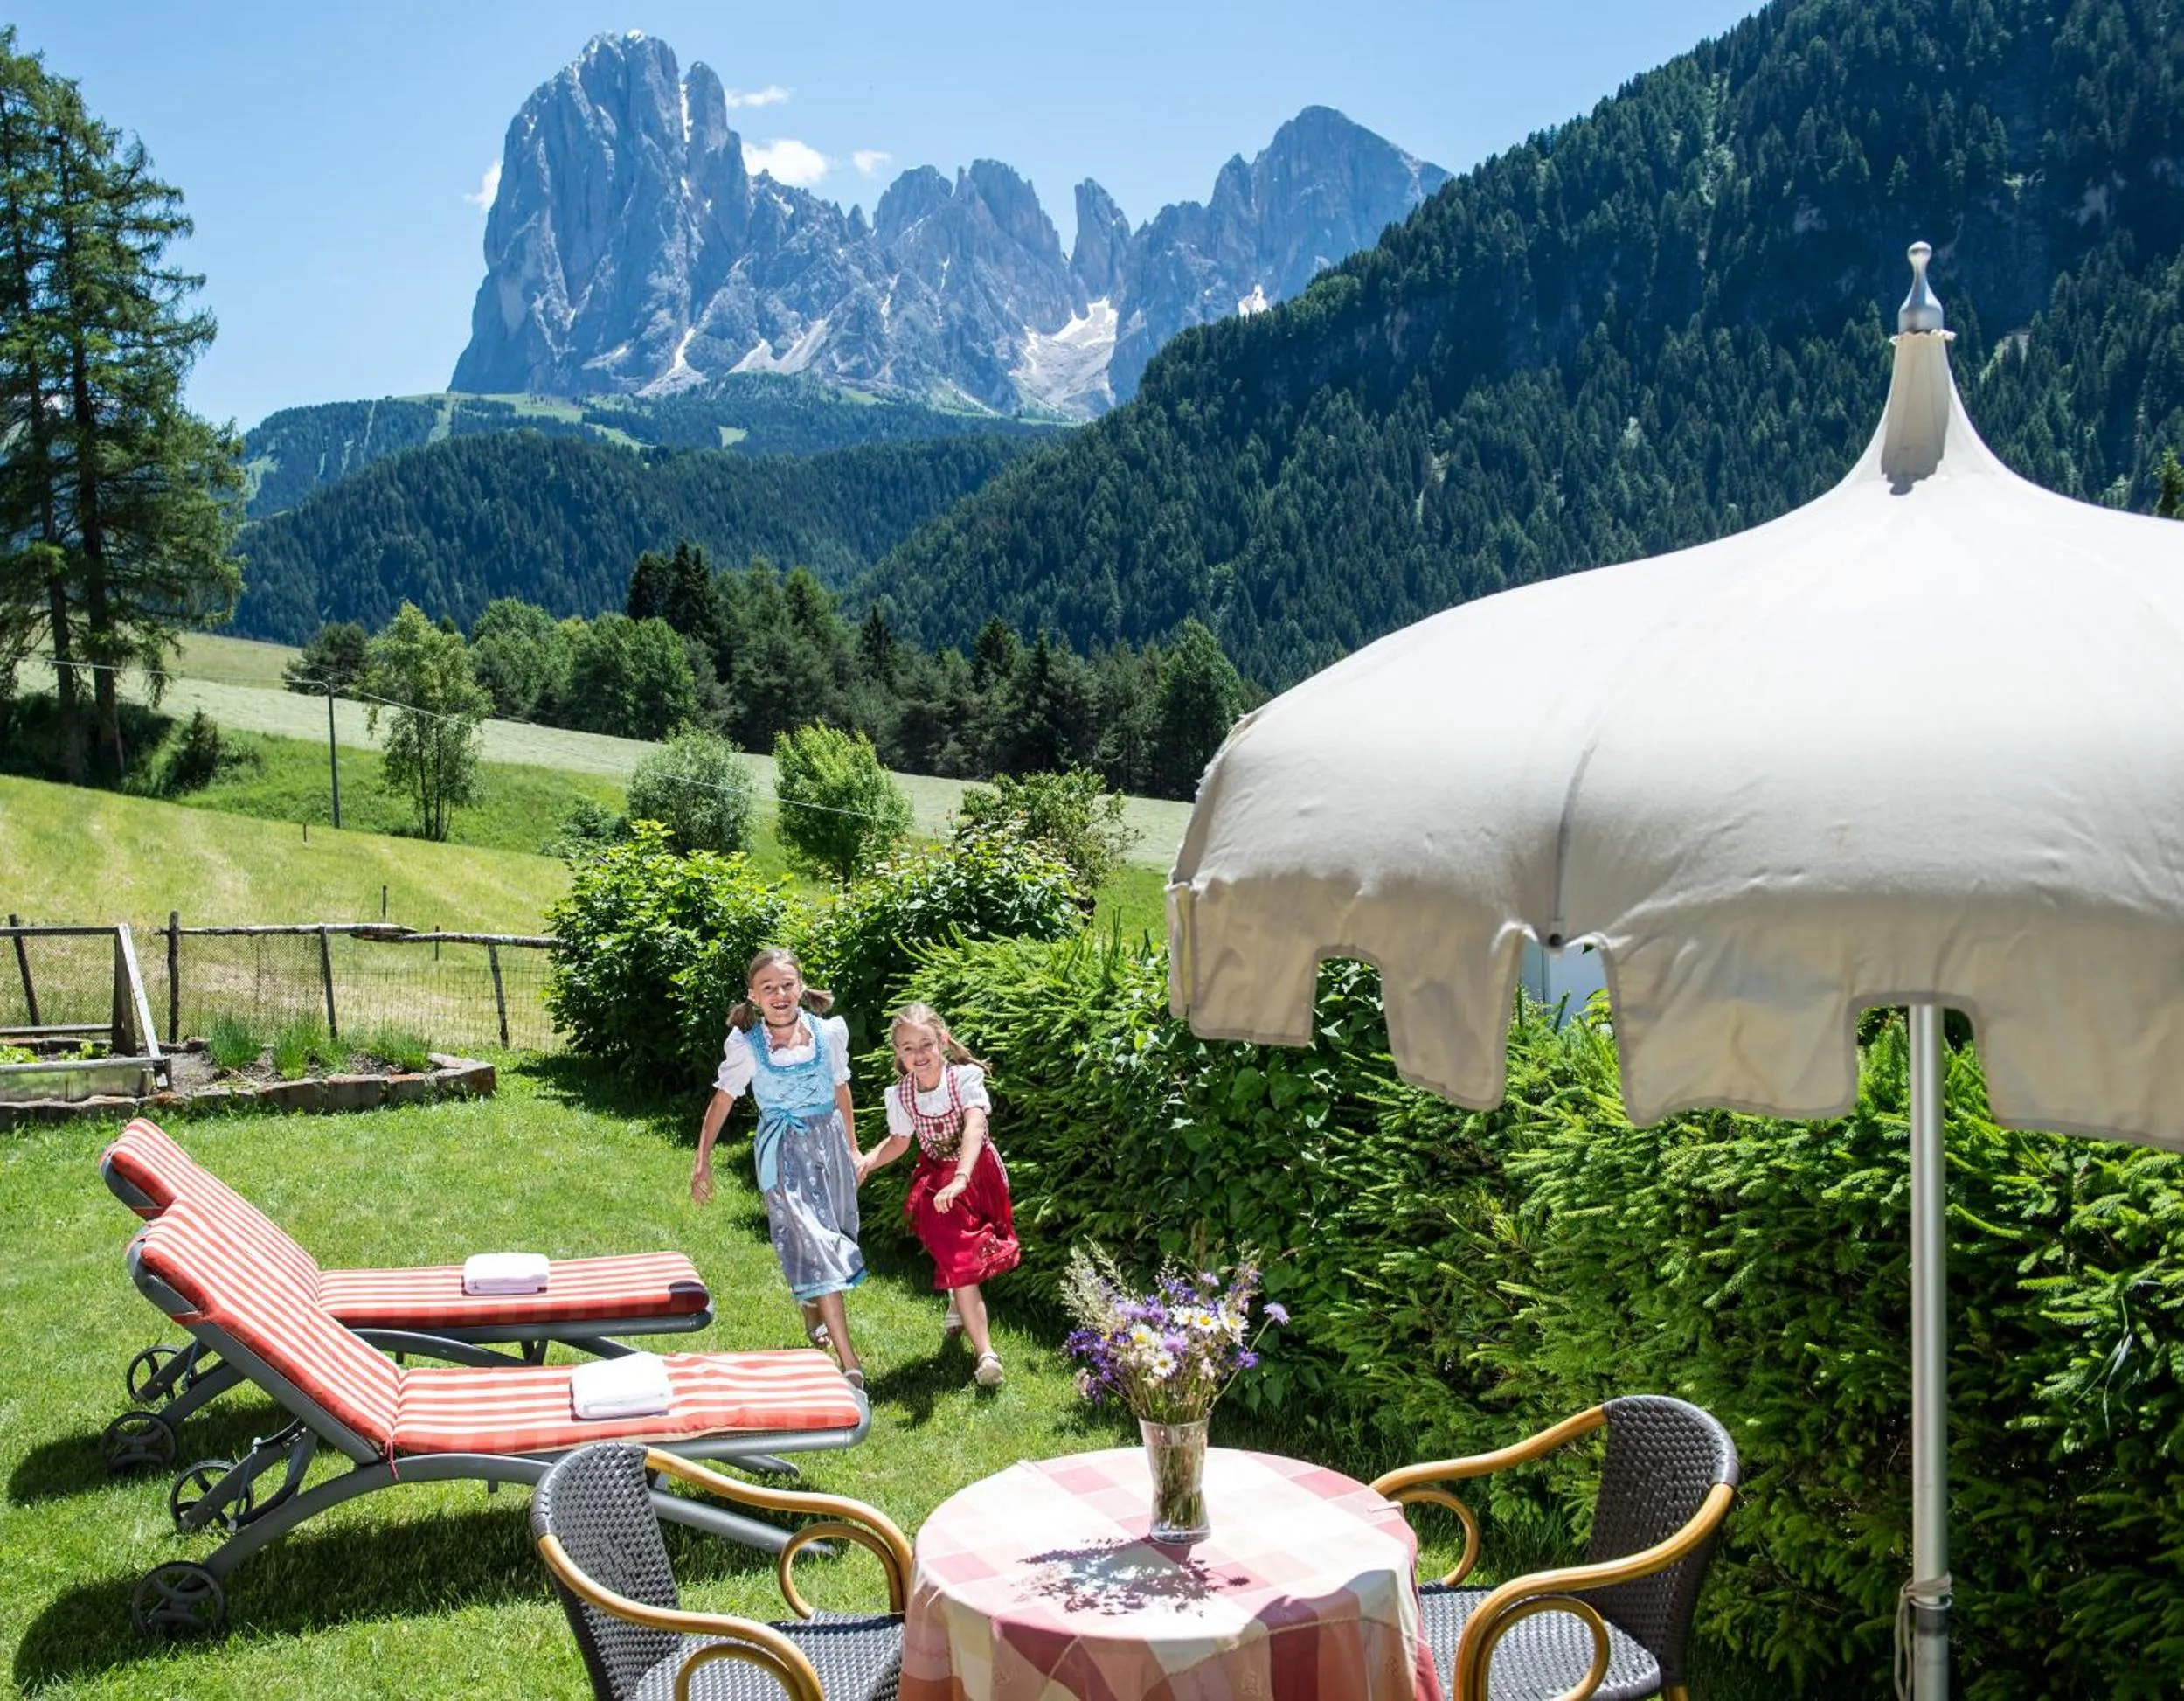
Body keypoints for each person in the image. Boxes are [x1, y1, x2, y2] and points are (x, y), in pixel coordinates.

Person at [691, 948, 867, 1388]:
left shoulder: (828, 1034)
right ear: (753, 996)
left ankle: (813, 1310)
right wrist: (703, 1161)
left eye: (787, 984)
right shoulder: (746, 1045)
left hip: (828, 1147)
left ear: (801, 987)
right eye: (768, 987)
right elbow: (723, 1099)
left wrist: (853, 1147)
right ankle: (851, 1364)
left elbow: (841, 1088)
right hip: (783, 1152)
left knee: (833, 1235)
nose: (780, 994)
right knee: (819, 1244)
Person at [856, 1002, 1019, 1388]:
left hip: (977, 1173)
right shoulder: (900, 1094)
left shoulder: (963, 1079)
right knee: (962, 1262)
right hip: (936, 1181)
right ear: (897, 1053)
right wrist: (865, 1162)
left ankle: (956, 1302)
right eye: (908, 1048)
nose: (919, 1055)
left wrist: (962, 1176)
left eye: (926, 1044)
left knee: (971, 1255)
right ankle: (986, 1356)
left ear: (943, 1041)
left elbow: (974, 1129)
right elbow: (899, 1142)